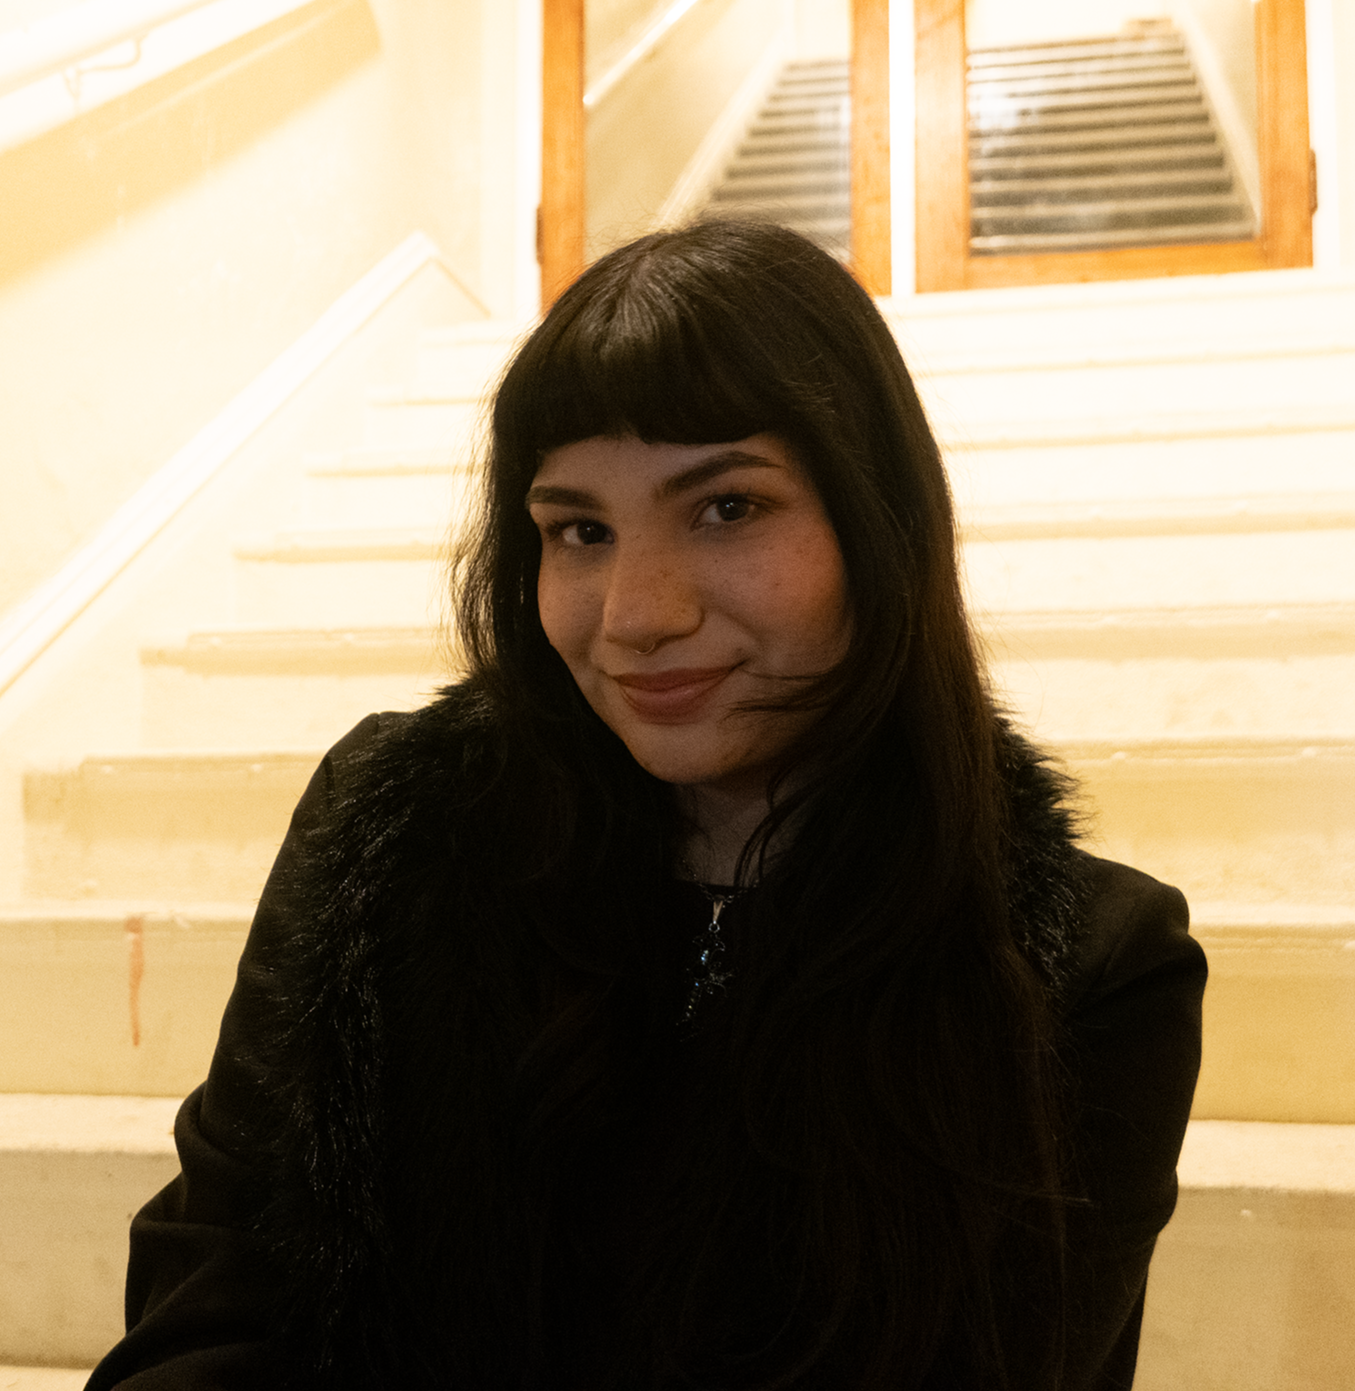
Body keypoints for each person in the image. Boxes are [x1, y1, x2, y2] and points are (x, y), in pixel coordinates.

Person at [86, 220, 1205, 1390]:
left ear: (876, 521)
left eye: (725, 507)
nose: (634, 613)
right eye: (580, 530)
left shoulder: (1086, 965)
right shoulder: (392, 827)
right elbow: (217, 1288)